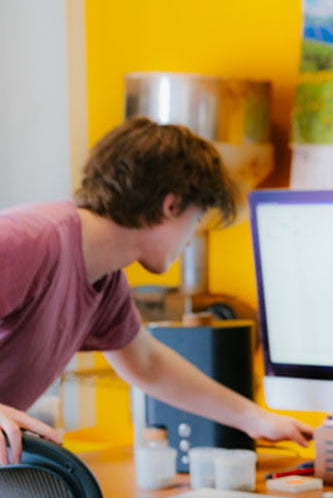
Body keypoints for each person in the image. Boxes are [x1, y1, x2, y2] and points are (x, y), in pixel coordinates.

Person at [0, 116, 313, 464]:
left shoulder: (105, 278)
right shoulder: (26, 240)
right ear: (171, 205)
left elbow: (148, 363)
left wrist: (256, 418)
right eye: (196, 220)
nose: (191, 239)